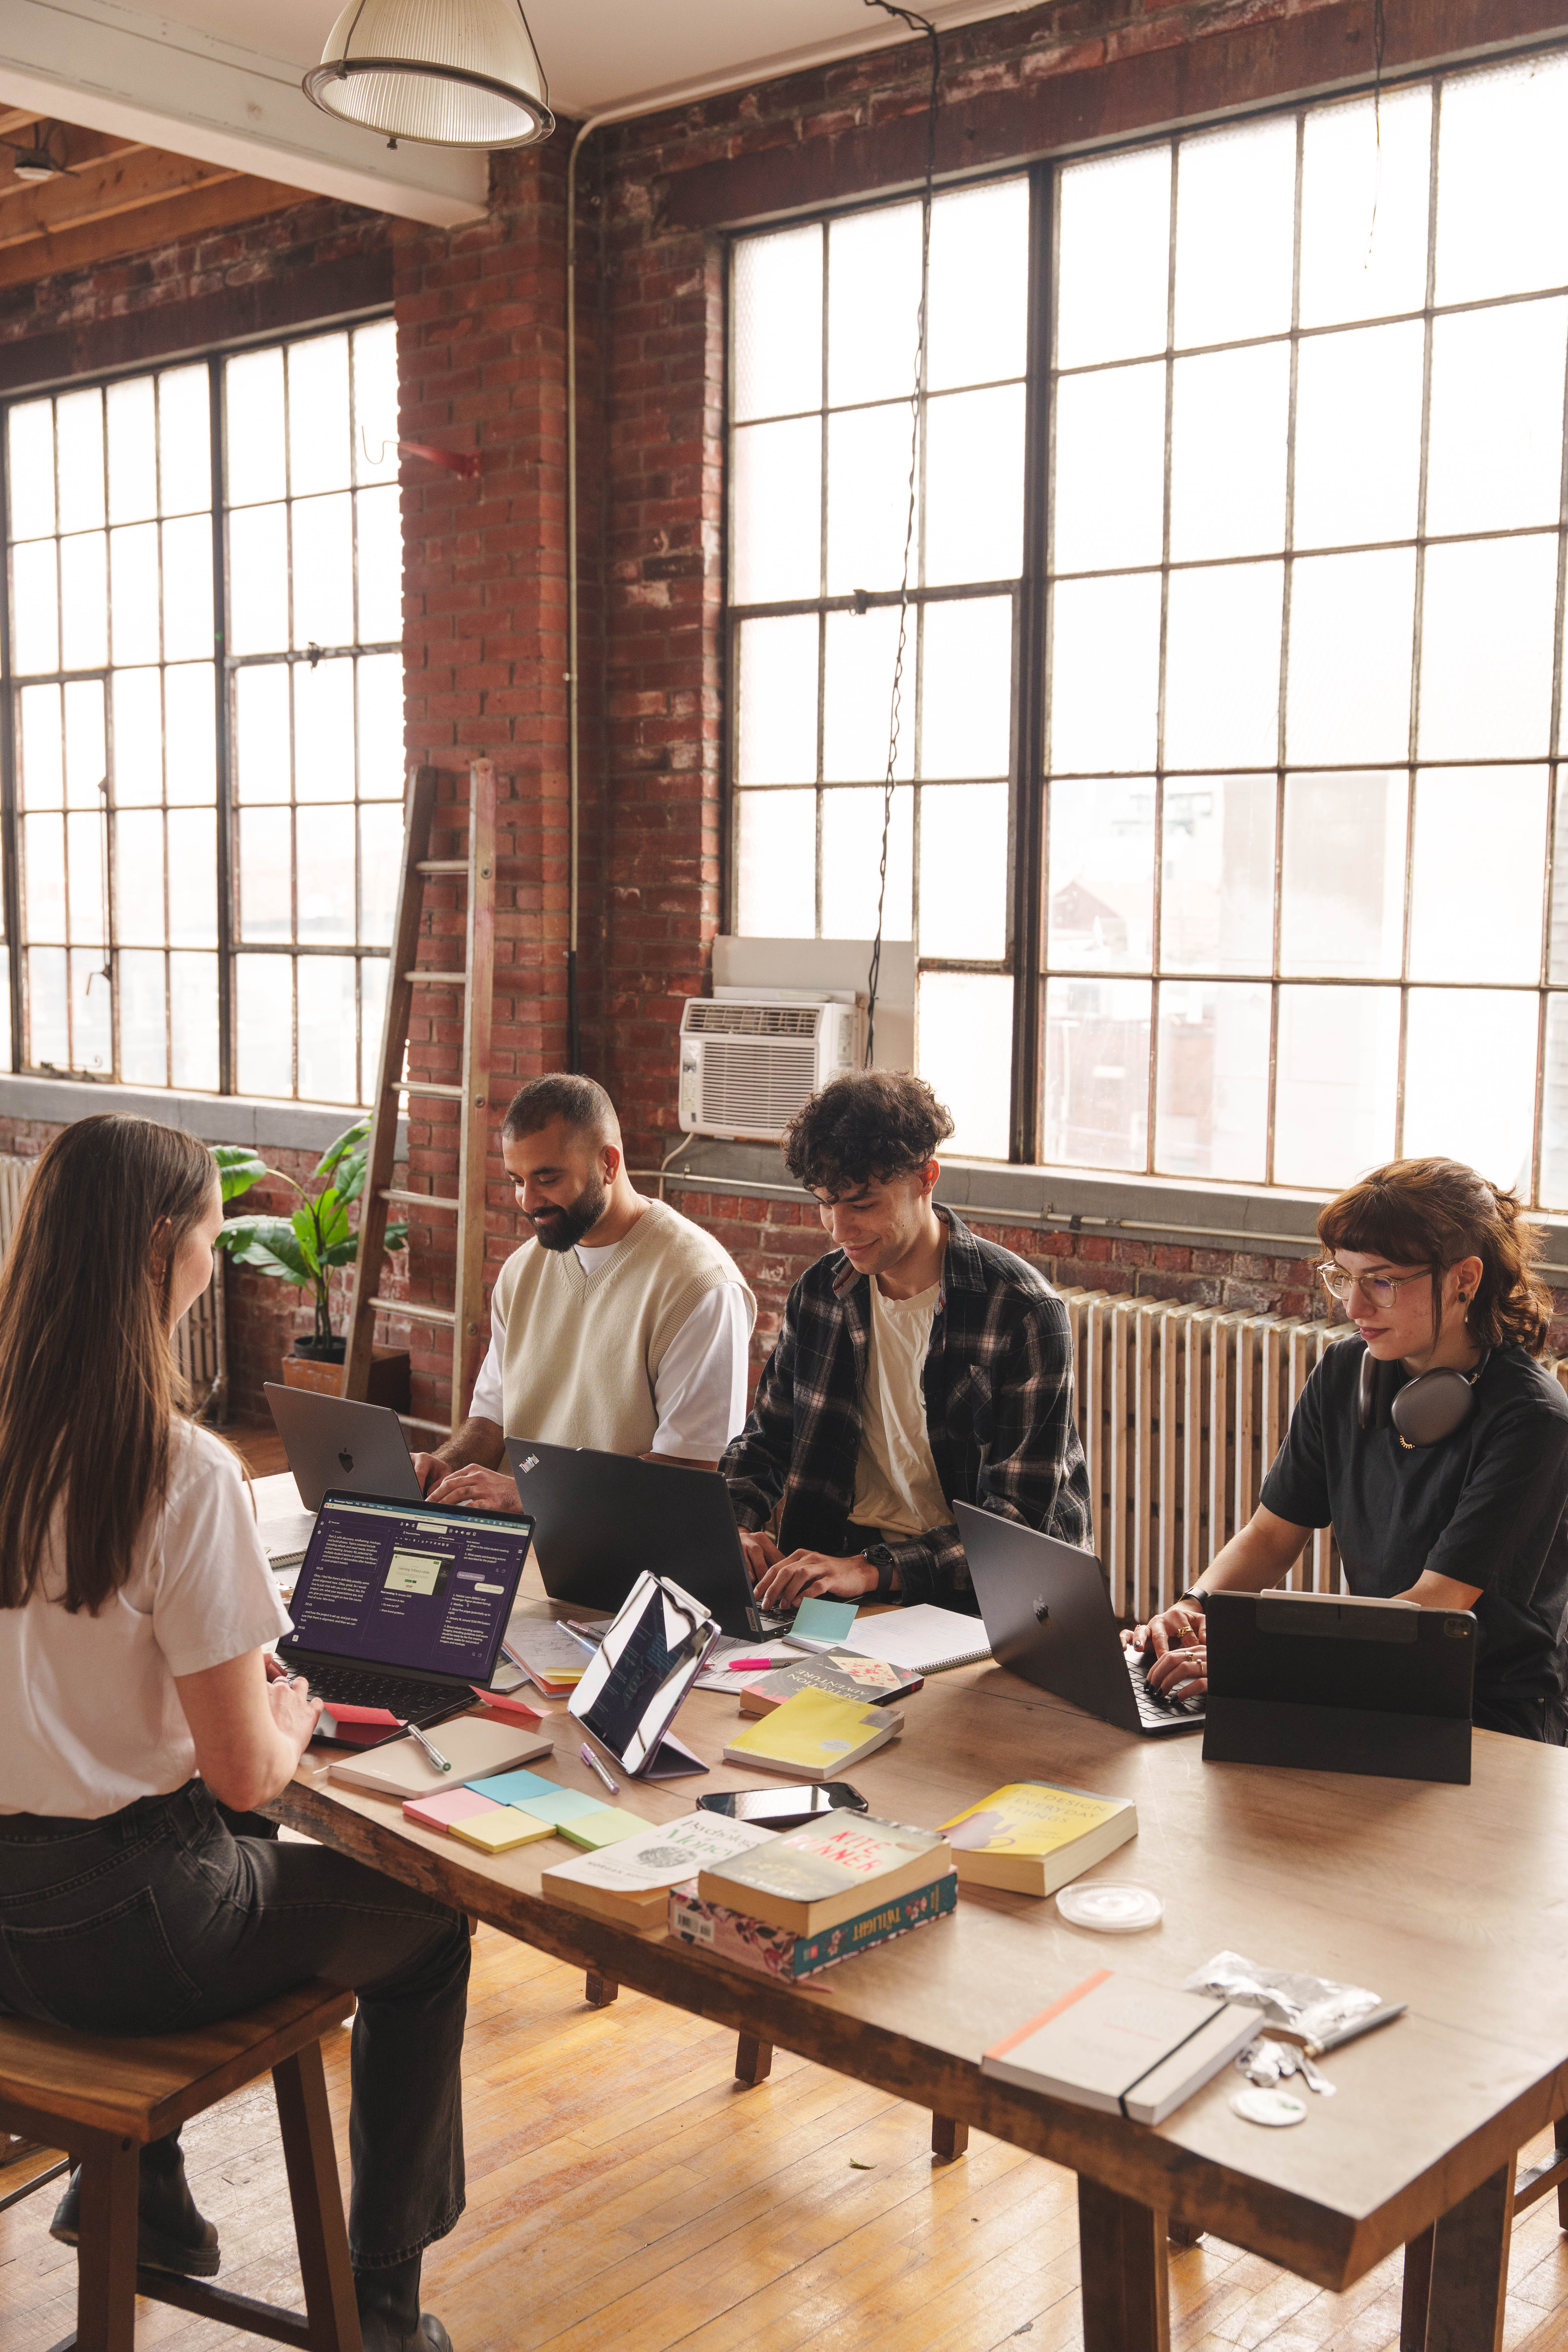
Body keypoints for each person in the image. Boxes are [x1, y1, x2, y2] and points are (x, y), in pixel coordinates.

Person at [0, 1115, 469, 2352]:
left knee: (171, 1814)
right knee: (429, 1927)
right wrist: (288, 1704)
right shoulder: (178, 1470)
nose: (225, 1250)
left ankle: (149, 2203)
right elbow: (248, 1773)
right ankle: (381, 2302)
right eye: (215, 1227)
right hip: (124, 1940)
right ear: (166, 1248)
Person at [1130, 1157, 1568, 1742]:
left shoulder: (1532, 1418)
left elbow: (1437, 1604)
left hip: (1485, 1714)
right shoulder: (1346, 1371)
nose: (1354, 1308)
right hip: (1367, 1677)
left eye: (1382, 1281)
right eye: (1343, 1276)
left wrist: (1262, 1662)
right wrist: (1194, 1607)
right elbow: (1271, 1535)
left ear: (1465, 1278)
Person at [719, 1071, 1091, 1611]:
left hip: (991, 1601)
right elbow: (765, 1442)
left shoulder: (1022, 1313)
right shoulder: (822, 1293)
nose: (839, 1228)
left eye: (862, 1205)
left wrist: (872, 1570)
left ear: (926, 1179)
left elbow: (1015, 1527)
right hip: (839, 1580)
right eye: (825, 1203)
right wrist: (734, 1526)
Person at [415, 1074, 756, 1514]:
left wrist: (530, 1495)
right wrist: (440, 1469)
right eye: (517, 1180)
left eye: (547, 1178)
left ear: (608, 1165)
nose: (527, 1200)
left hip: (624, 1558)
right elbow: (490, 1423)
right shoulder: (522, 1270)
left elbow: (685, 1476)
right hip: (517, 1535)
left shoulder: (701, 1287)